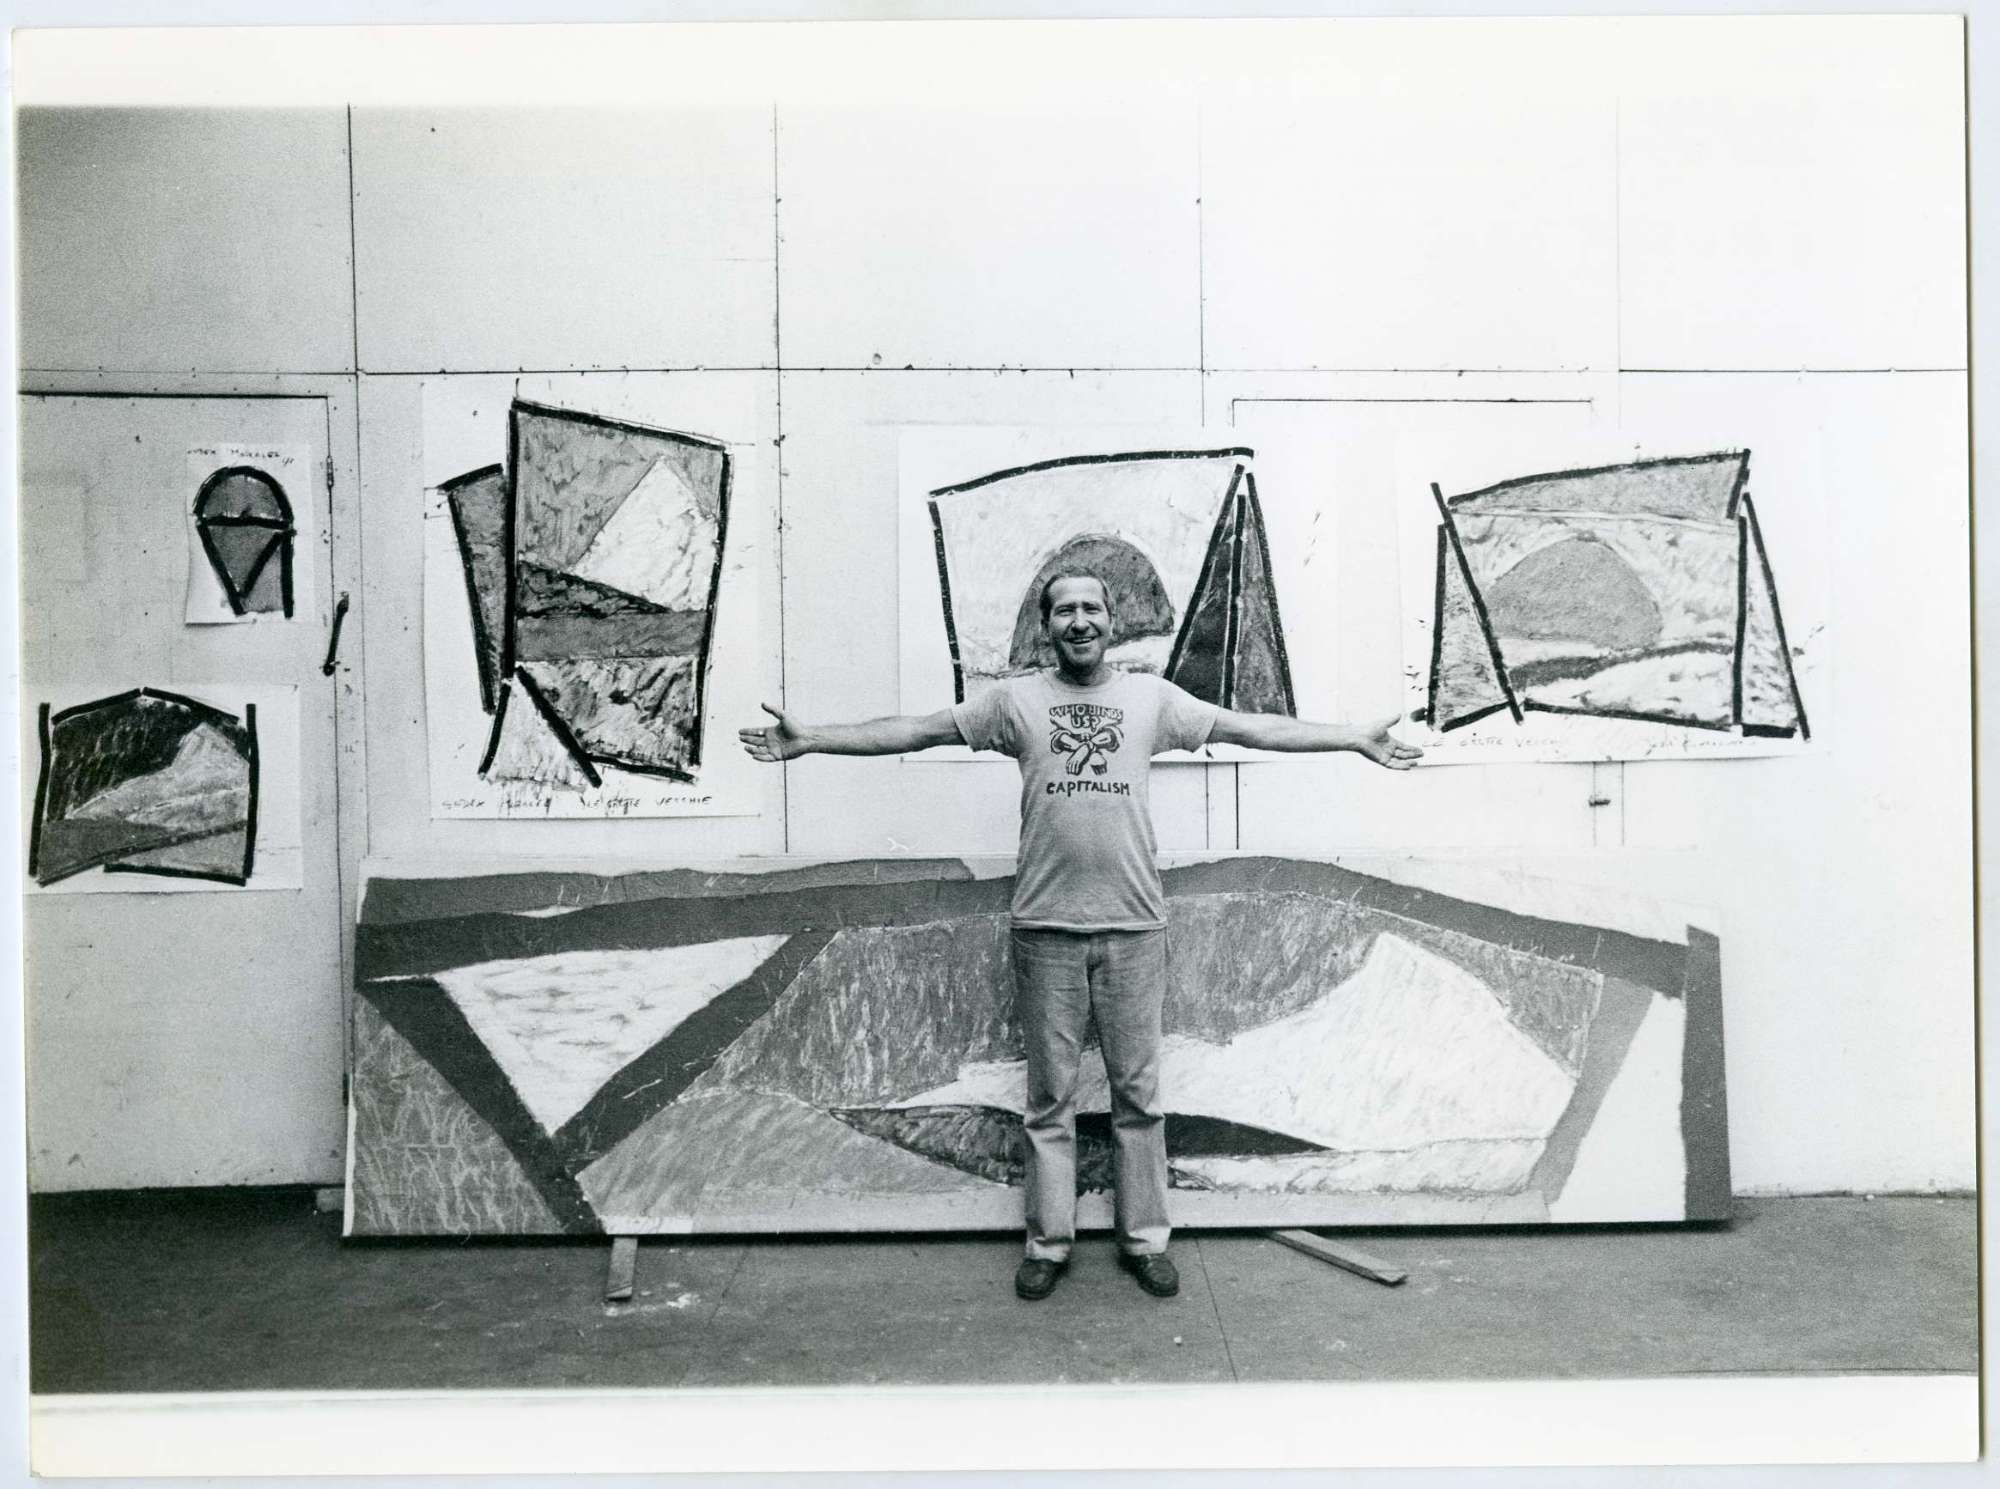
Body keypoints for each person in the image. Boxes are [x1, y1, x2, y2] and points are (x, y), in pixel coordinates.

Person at [741, 572, 1420, 1301]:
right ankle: (1048, 1243)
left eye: (1091, 607)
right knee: (1049, 1100)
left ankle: (1145, 1240)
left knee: (1138, 1099)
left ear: (1111, 620)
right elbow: (918, 729)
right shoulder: (1014, 702)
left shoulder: (1151, 699)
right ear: (1047, 625)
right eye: (1064, 609)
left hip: (1134, 927)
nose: (1079, 620)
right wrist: (812, 740)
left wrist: (1353, 738)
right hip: (1046, 931)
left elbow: (1250, 726)